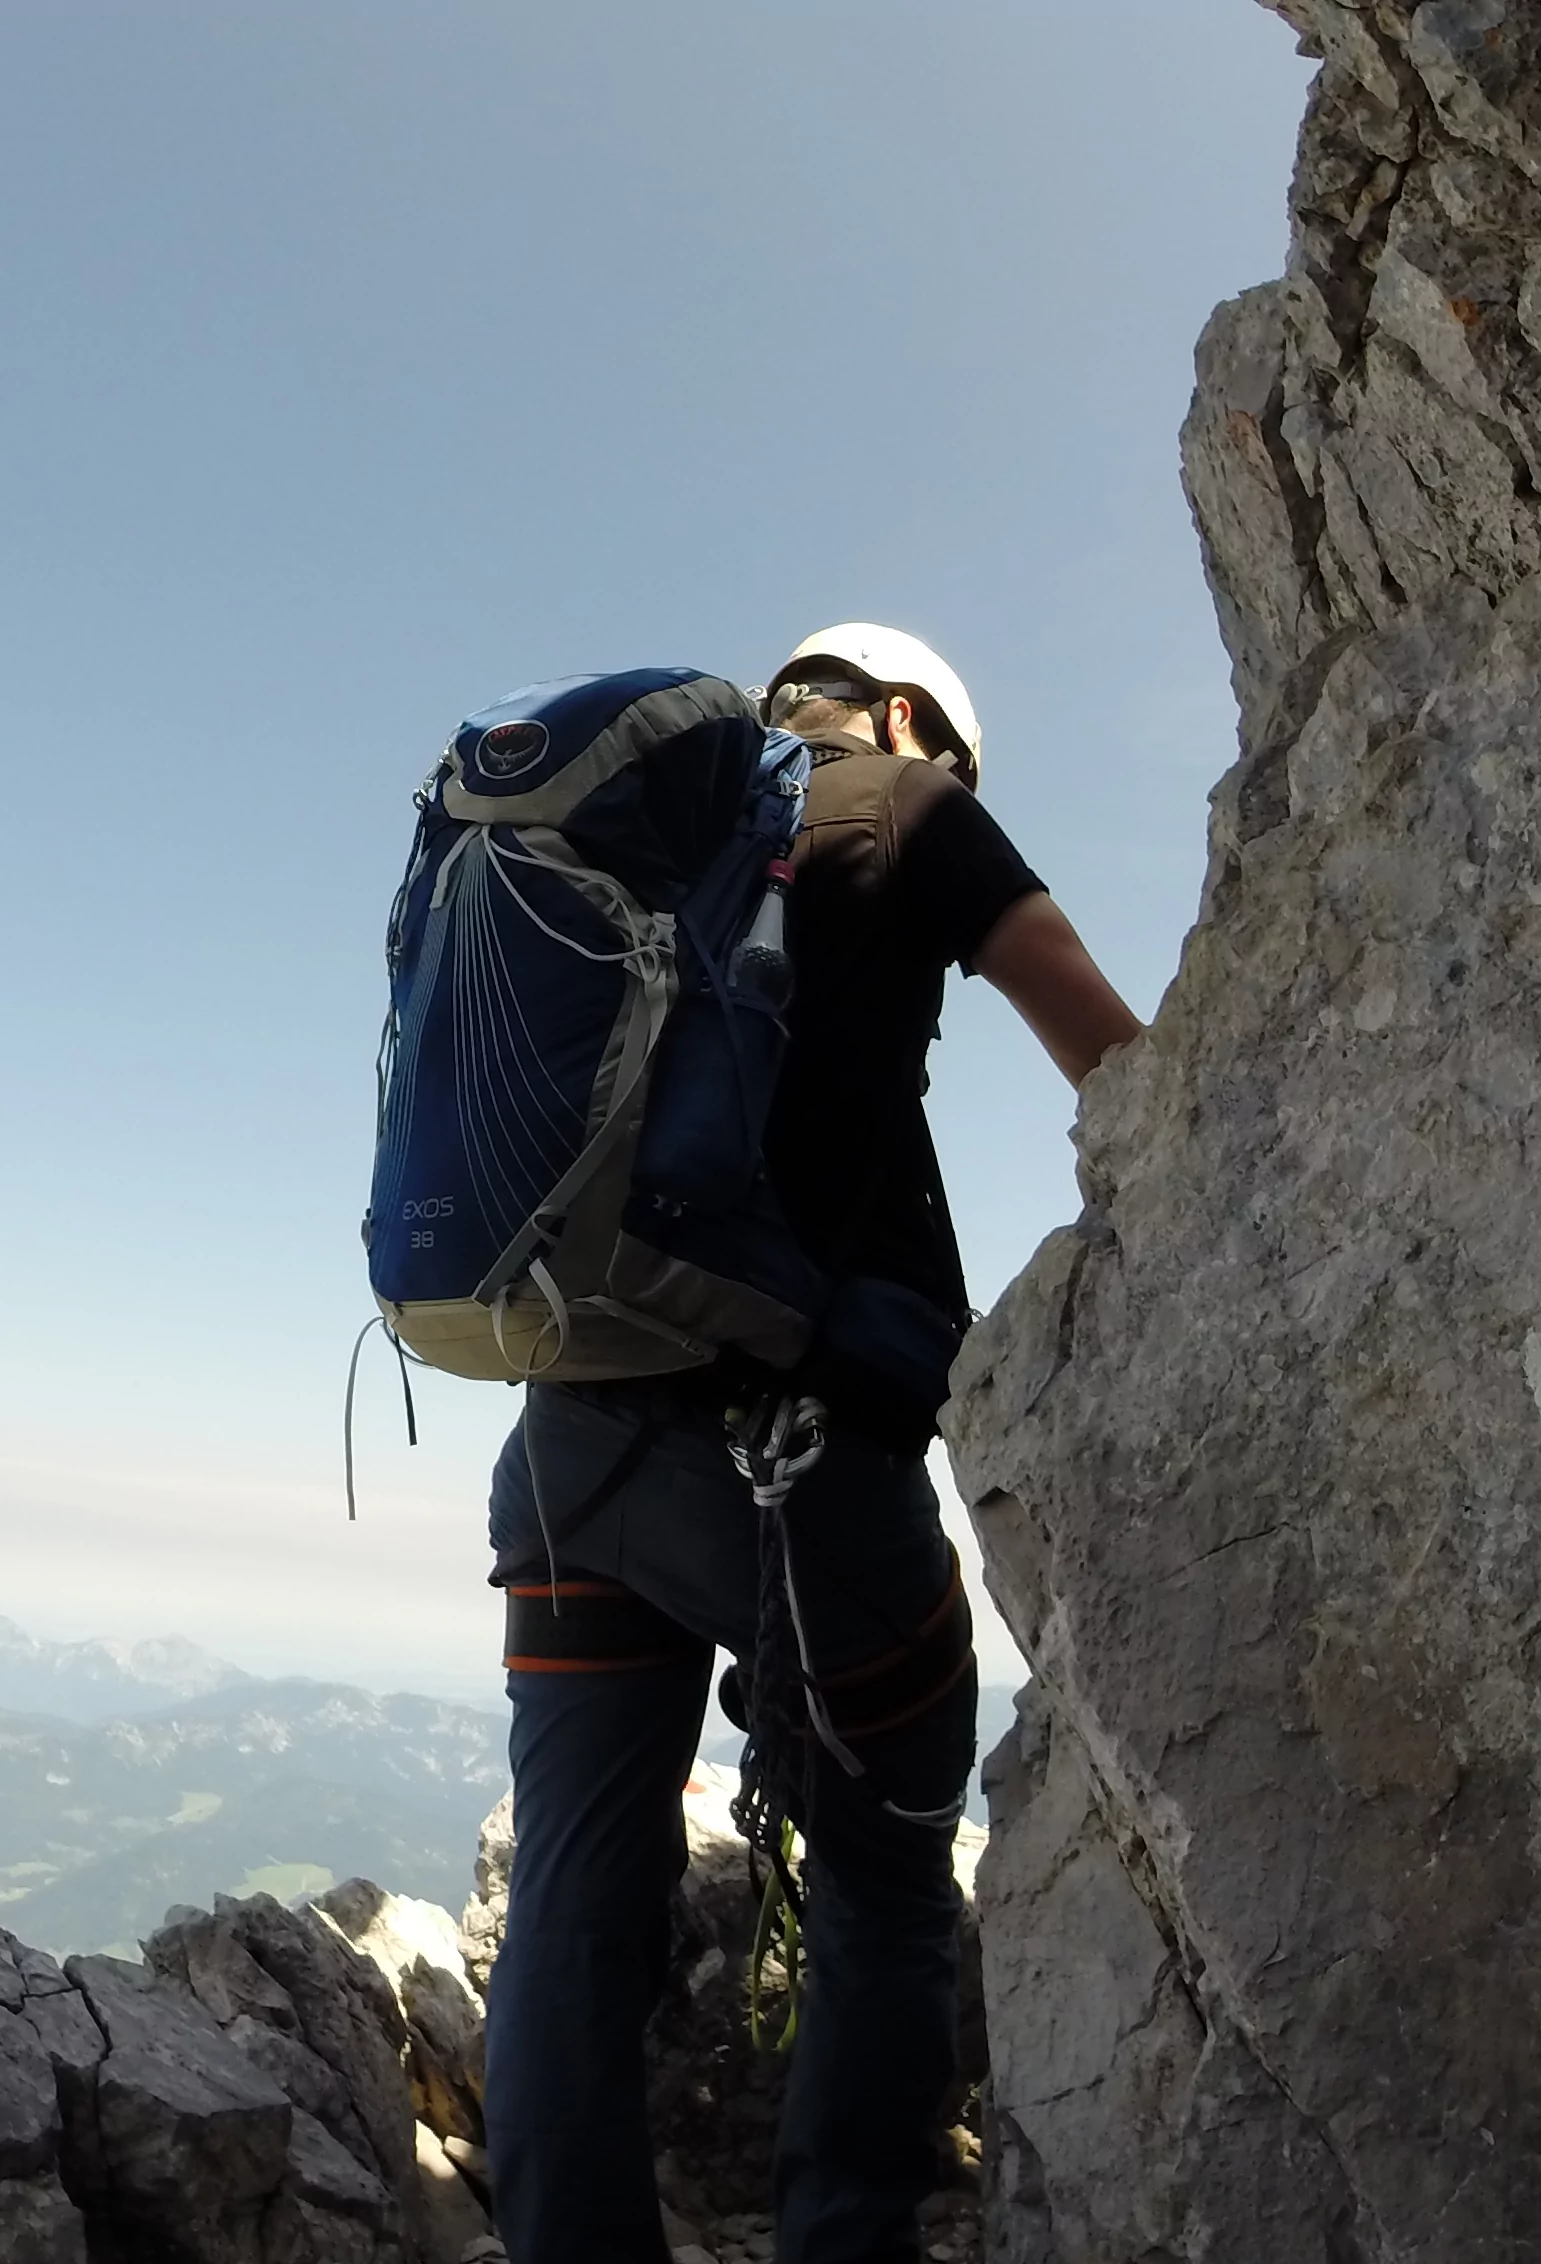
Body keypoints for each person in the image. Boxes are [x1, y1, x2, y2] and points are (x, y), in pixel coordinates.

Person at [478, 624, 1143, 2264]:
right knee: (890, 1869)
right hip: (794, 1466)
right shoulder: (907, 803)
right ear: (912, 716)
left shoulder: (664, 832)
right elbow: (1121, 1062)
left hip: (571, 1454)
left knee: (573, 1899)